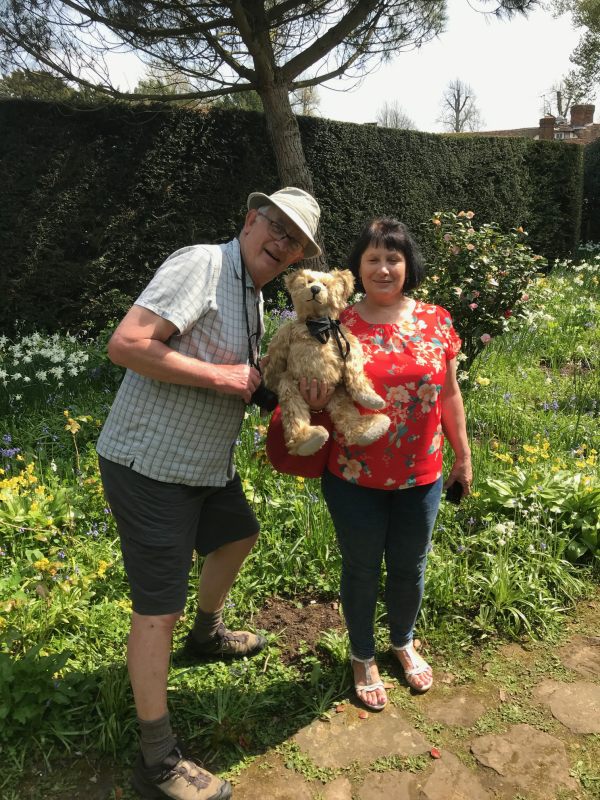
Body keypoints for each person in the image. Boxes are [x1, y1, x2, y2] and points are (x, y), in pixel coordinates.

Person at [96, 187, 321, 800]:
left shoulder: (251, 293)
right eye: (276, 227)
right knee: (156, 611)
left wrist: (285, 399)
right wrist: (220, 376)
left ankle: (207, 634)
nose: (283, 244)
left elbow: (239, 377)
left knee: (239, 535)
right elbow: (128, 344)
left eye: (296, 241)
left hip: (203, 465)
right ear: (250, 220)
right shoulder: (203, 263)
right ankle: (158, 761)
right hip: (151, 465)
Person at [315, 217, 472, 711]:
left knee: (409, 567)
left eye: (393, 258)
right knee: (361, 568)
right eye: (373, 259)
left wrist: (463, 456)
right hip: (353, 475)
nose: (383, 269)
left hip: (421, 474)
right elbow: (313, 387)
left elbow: (448, 393)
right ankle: (362, 654)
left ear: (408, 265)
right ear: (358, 266)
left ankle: (402, 641)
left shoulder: (436, 320)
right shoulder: (335, 323)